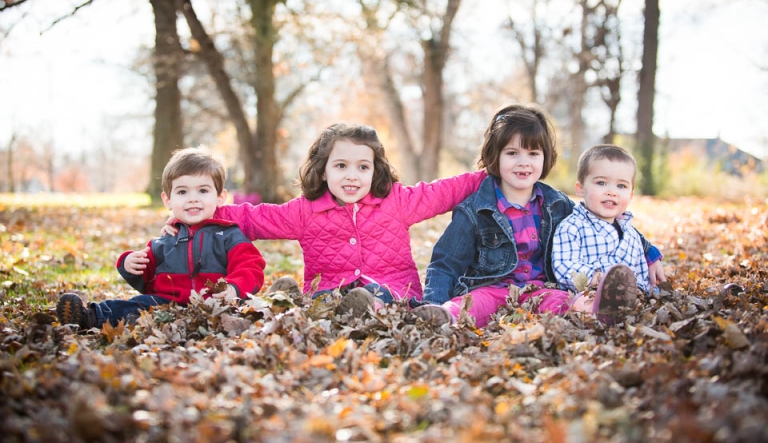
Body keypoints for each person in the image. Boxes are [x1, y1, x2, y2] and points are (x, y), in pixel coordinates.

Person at [165, 123, 486, 318]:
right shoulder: (307, 211)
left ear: (376, 170)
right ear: (324, 169)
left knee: (380, 298)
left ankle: (361, 308)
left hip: (394, 292)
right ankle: (286, 299)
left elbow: (446, 190)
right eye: (341, 166)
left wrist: (490, 175)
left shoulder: (397, 201)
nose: (352, 176)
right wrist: (200, 212)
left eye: (363, 167)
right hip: (330, 294)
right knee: (323, 301)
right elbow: (255, 219)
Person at [412, 104, 664, 328]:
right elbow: (445, 263)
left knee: (565, 302)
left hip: (541, 288)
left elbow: (605, 220)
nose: (524, 162)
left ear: (545, 158)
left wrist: (649, 252)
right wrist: (433, 300)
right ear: (495, 156)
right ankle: (442, 316)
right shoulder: (474, 210)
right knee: (471, 304)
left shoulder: (556, 203)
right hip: (490, 288)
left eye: (533, 154)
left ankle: (601, 311)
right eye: (512, 153)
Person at [56, 147, 266, 330]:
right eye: (182, 192)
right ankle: (89, 317)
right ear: (168, 200)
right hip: (167, 304)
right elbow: (147, 279)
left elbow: (251, 268)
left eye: (203, 190)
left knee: (242, 313)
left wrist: (234, 288)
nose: (193, 198)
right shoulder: (164, 240)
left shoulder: (229, 235)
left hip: (215, 304)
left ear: (220, 197)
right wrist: (128, 263)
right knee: (135, 306)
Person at [552, 144, 665, 311]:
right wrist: (594, 277)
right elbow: (564, 265)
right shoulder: (572, 227)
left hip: (630, 301)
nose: (612, 192)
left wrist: (647, 291)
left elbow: (639, 269)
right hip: (590, 296)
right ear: (580, 189)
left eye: (621, 186)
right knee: (579, 302)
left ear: (631, 195)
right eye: (601, 183)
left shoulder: (630, 233)